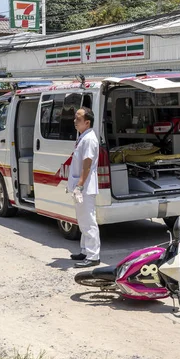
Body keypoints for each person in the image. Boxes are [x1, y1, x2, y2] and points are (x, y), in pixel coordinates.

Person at [68, 107, 101, 268]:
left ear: (87, 122)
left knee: (88, 221)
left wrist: (80, 186)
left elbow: (87, 165)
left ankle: (93, 256)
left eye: (78, 119)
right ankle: (85, 250)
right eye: (75, 118)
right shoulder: (83, 137)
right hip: (82, 186)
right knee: (82, 220)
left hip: (85, 187)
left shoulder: (89, 139)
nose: (75, 121)